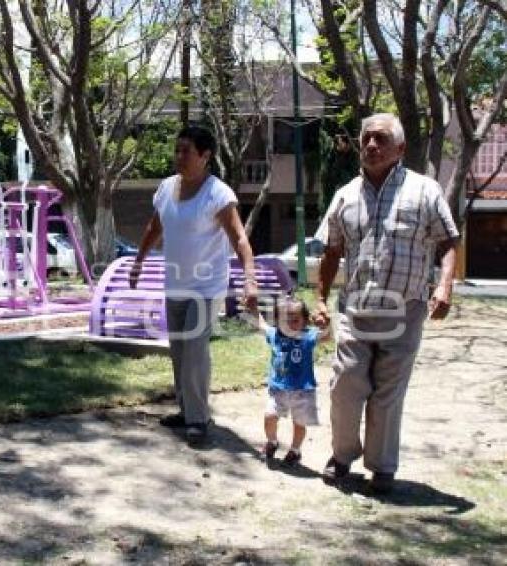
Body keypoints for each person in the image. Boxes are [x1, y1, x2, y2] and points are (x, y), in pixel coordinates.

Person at [314, 113, 459, 494]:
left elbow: (447, 242)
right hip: (355, 309)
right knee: (345, 384)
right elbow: (332, 252)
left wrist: (444, 286)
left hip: (405, 309)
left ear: (400, 148)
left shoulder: (425, 191)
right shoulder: (345, 195)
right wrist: (321, 299)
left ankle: (382, 468)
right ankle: (343, 455)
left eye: (381, 139)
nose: (372, 146)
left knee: (387, 392)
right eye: (367, 139)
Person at [130, 125, 258, 445]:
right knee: (178, 352)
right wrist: (139, 260)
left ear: (205, 156)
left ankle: (199, 420)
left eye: (186, 150)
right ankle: (187, 411)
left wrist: (250, 279)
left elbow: (239, 237)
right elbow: (154, 226)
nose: (179, 156)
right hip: (175, 284)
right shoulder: (166, 188)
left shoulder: (218, 194)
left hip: (207, 287)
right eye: (177, 149)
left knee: (194, 350)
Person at [254, 297, 331, 466]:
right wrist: (254, 309)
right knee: (269, 416)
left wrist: (325, 324)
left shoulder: (308, 336)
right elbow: (261, 325)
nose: (289, 325)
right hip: (278, 389)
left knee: (299, 423)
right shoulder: (275, 335)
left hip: (303, 390)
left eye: (295, 320)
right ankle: (272, 442)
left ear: (305, 321)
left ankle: (295, 451)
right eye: (284, 320)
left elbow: (326, 337)